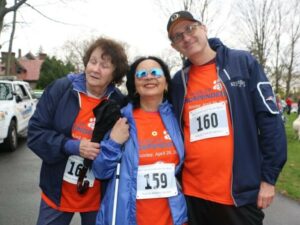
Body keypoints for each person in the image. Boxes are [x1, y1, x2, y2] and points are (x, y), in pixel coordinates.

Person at [166, 11, 287, 225]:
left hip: (237, 196)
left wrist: (269, 179)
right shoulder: (178, 82)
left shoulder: (242, 62)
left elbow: (270, 120)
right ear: (175, 46)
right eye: (177, 36)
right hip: (193, 195)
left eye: (190, 28)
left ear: (203, 28)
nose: (186, 37)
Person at [27, 37, 129, 225]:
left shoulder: (120, 104)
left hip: (98, 200)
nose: (95, 69)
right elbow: (35, 133)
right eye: (93, 61)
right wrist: (71, 146)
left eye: (104, 66)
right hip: (56, 194)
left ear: (115, 74)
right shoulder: (61, 89)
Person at [92, 56, 188, 225]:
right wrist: (113, 142)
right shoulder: (120, 119)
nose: (148, 77)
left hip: (173, 219)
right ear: (134, 86)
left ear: (166, 83)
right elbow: (100, 171)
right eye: (141, 74)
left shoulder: (179, 118)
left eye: (155, 72)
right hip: (127, 218)